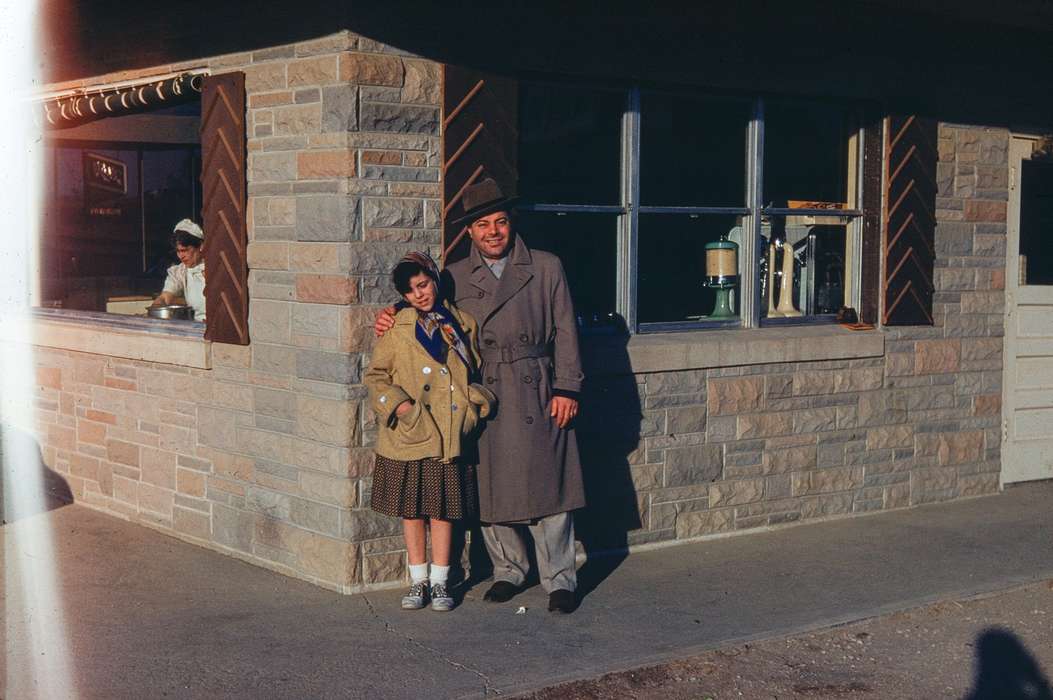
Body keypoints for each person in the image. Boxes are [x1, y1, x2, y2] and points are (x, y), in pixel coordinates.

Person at [375, 179, 586, 614]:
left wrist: (568, 386)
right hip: (481, 389)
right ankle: (509, 570)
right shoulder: (452, 275)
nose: (493, 231)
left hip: (537, 383)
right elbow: (423, 304)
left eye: (501, 222)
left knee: (552, 484)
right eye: (483, 224)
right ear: (469, 231)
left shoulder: (546, 266)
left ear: (512, 224)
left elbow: (567, 329)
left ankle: (560, 577)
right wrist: (392, 312)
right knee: (492, 486)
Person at [364, 252, 496, 612]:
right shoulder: (397, 327)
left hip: (448, 432)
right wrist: (401, 407)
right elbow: (375, 376)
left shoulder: (462, 323)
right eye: (410, 291)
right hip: (410, 433)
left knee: (442, 511)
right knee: (413, 511)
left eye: (423, 284)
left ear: (434, 280)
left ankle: (441, 582)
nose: (419, 294)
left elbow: (477, 372)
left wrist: (474, 404)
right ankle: (417, 580)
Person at [152, 219, 206, 321]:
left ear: (200, 246)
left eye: (184, 250)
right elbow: (165, 298)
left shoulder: (214, 268)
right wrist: (155, 308)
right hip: (195, 328)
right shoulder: (180, 272)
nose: (181, 256)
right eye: (178, 251)